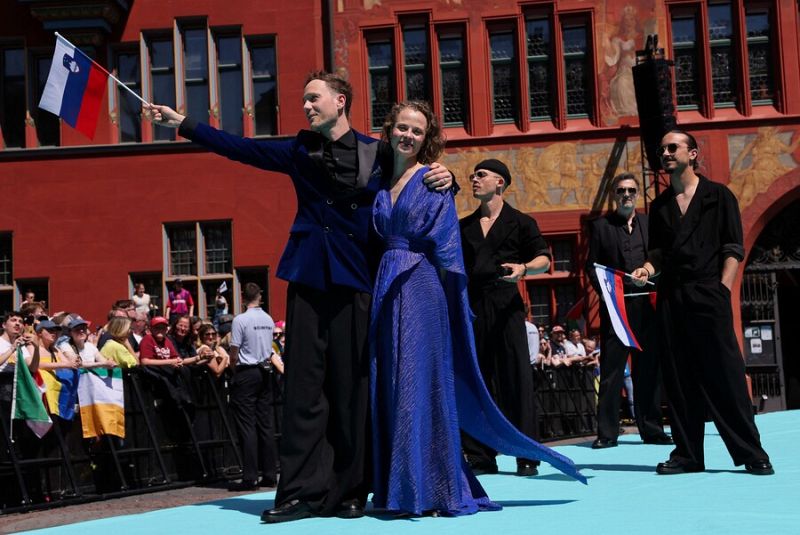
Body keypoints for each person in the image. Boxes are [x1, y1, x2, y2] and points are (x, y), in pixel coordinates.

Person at [146, 70, 453, 523]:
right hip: (308, 277)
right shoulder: (299, 148)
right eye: (305, 100)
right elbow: (241, 148)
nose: (306, 106)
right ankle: (299, 493)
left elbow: (416, 174)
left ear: (341, 101)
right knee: (304, 390)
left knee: (352, 389)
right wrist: (184, 123)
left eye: (314, 99)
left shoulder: (378, 151)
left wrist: (448, 175)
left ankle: (352, 489)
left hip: (356, 281)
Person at [370, 101, 584, 516]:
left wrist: (512, 273)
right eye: (401, 128)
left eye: (417, 130)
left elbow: (450, 254)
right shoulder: (379, 180)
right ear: (389, 130)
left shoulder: (437, 183)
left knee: (432, 383)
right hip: (389, 286)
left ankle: (433, 485)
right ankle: (403, 483)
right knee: (393, 383)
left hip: (436, 292)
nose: (408, 136)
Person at [631, 129, 773, 476]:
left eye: (672, 147)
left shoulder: (718, 196)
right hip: (671, 299)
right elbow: (659, 254)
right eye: (662, 148)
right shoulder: (661, 205)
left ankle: (751, 452)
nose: (664, 153)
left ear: (692, 154)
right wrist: (646, 269)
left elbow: (732, 248)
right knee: (678, 379)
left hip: (707, 294)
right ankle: (688, 454)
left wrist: (722, 290)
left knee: (725, 376)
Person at [459, 159, 551, 477]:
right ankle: (480, 455)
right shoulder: (464, 227)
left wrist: (524, 269)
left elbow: (544, 260)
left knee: (516, 380)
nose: (474, 179)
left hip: (507, 307)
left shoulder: (521, 222)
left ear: (500, 182)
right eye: (473, 175)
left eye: (481, 175)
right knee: (477, 381)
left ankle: (526, 453)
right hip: (473, 309)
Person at [585, 172, 670, 449]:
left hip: (647, 307)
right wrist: (609, 295)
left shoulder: (649, 223)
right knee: (611, 372)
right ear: (614, 195)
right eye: (621, 191)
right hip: (617, 309)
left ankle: (652, 429)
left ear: (637, 195)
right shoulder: (600, 227)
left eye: (631, 190)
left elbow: (660, 258)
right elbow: (592, 267)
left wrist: (647, 271)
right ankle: (607, 433)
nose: (626, 195)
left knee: (648, 370)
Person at [227, 283, 278, 491]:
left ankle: (250, 477)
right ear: (260, 297)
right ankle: (269, 473)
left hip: (247, 371)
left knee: (246, 425)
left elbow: (234, 351)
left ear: (242, 297)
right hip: (265, 371)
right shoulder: (268, 319)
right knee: (265, 424)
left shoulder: (240, 320)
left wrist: (232, 368)